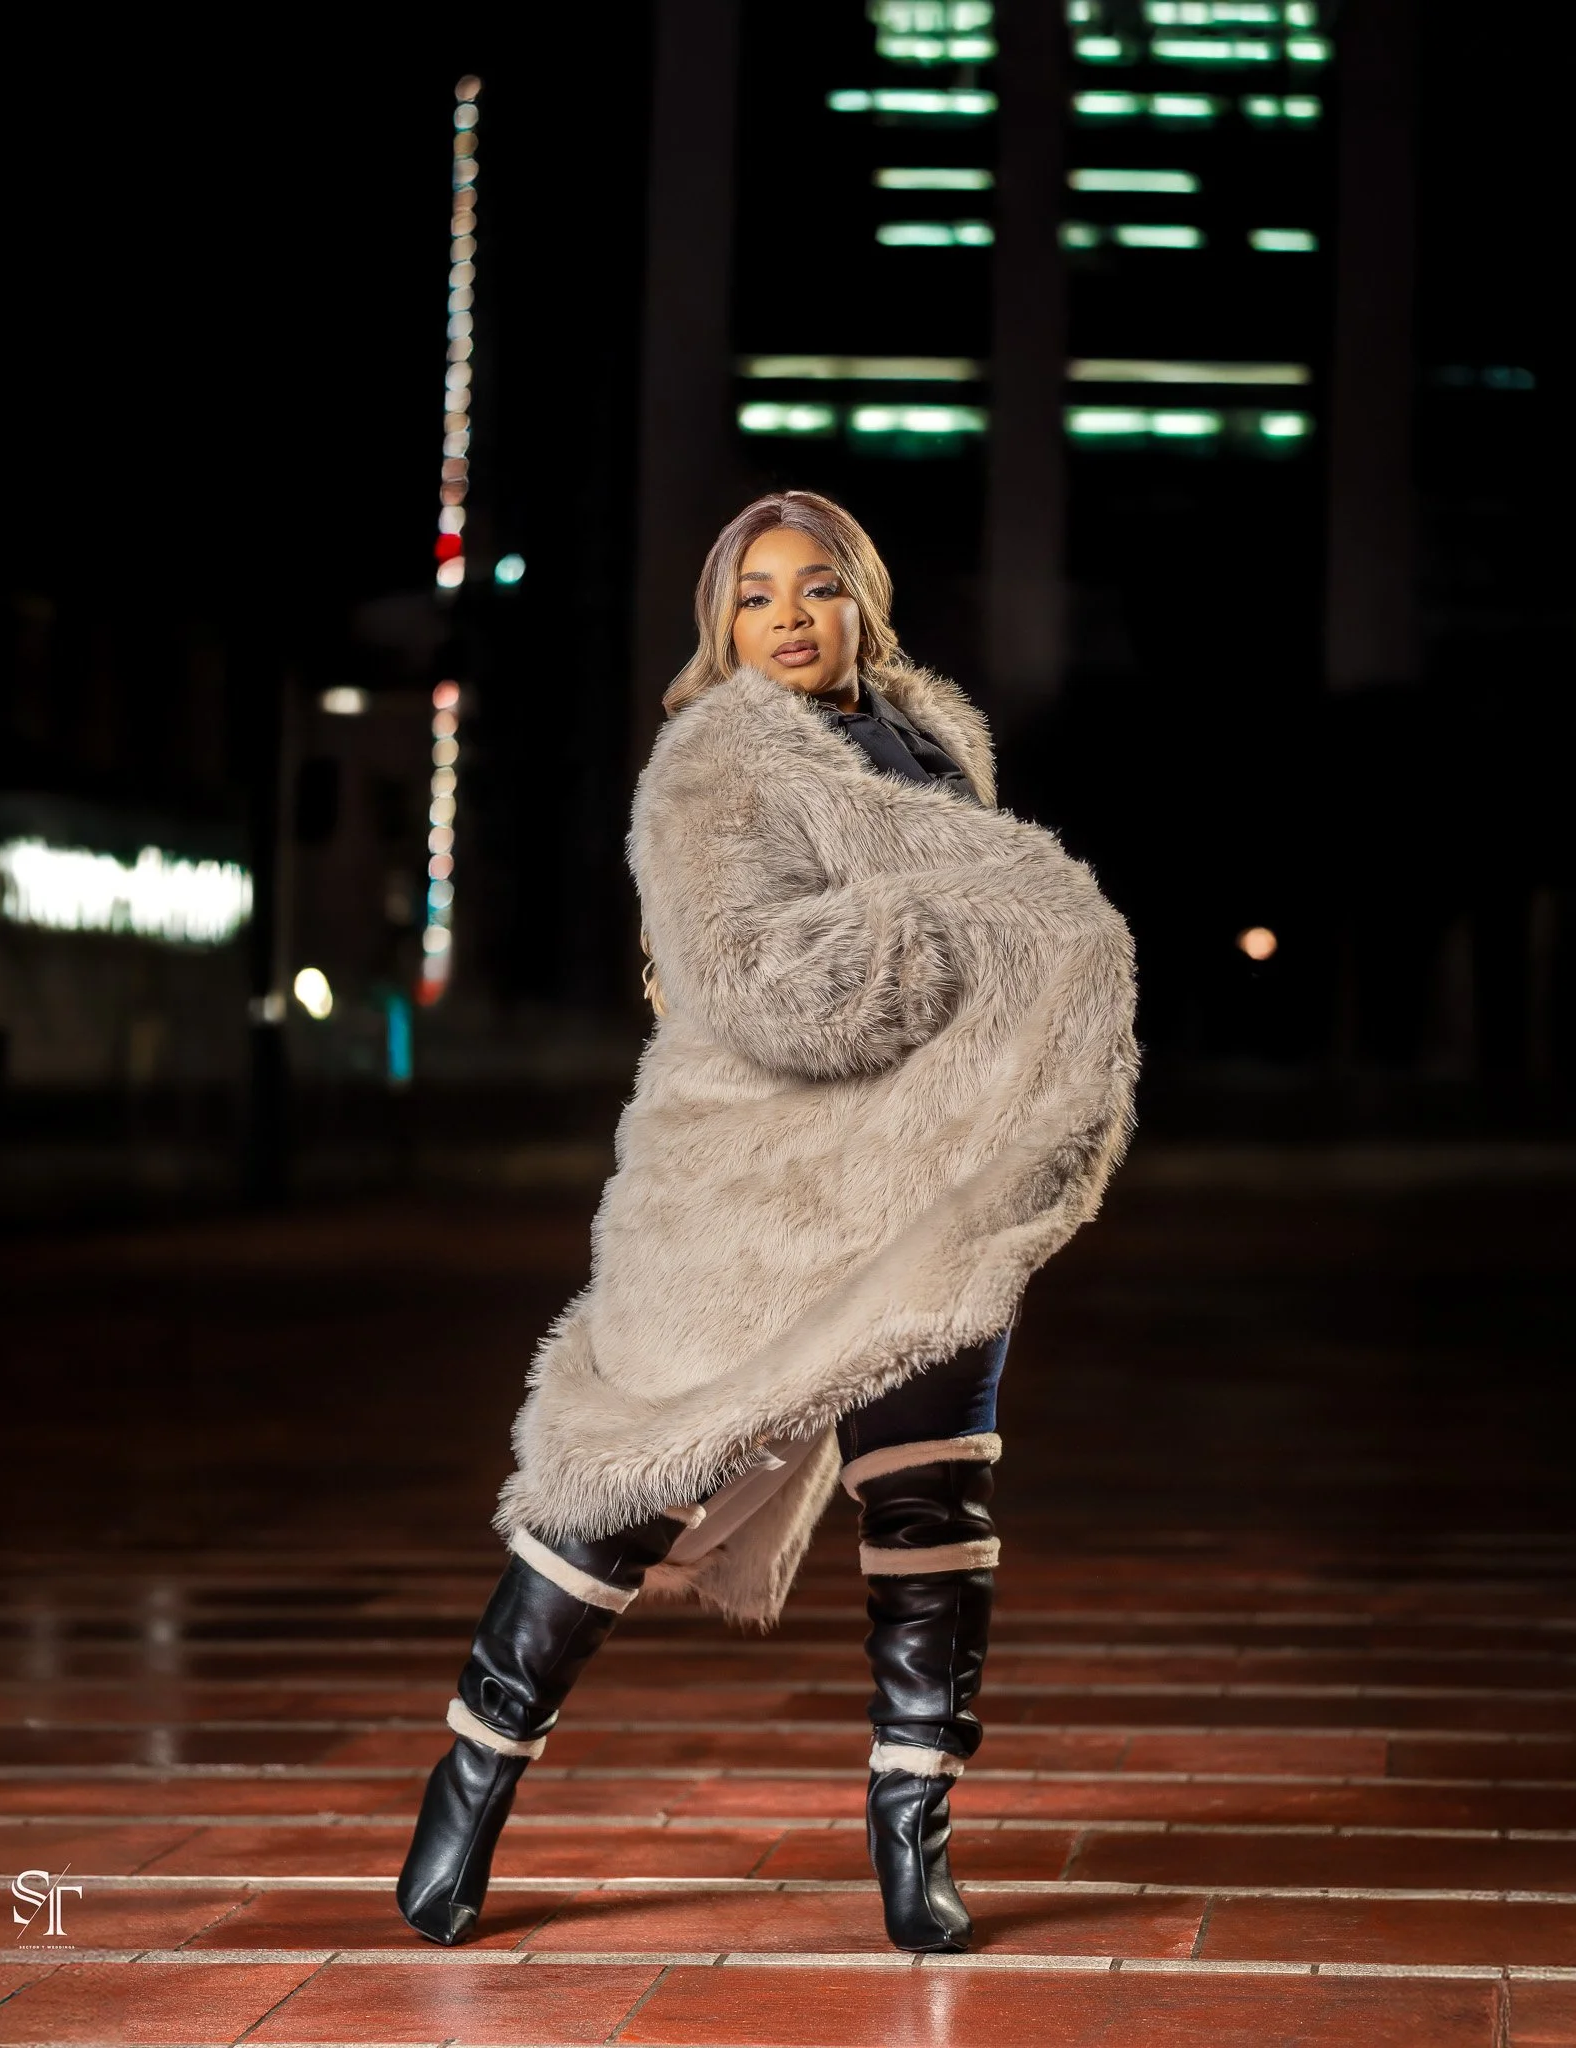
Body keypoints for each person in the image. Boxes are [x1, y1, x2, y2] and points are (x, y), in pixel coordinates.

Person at [397, 491, 1139, 1954]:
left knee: (932, 1504)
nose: (789, 616)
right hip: (762, 1195)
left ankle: (911, 1835)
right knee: (625, 1490)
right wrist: (971, 923)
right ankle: (472, 1776)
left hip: (934, 1187)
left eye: (817, 588)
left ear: (864, 604)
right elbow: (764, 987)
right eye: (755, 596)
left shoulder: (939, 754)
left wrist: (986, 942)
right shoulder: (709, 773)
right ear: (720, 626)